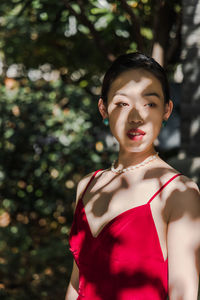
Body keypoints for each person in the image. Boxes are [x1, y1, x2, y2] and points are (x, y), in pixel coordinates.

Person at [65, 52, 200, 300]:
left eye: (150, 103)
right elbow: (77, 283)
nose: (136, 117)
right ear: (103, 108)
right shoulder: (87, 185)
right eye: (122, 103)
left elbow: (184, 294)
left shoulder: (178, 193)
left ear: (167, 110)